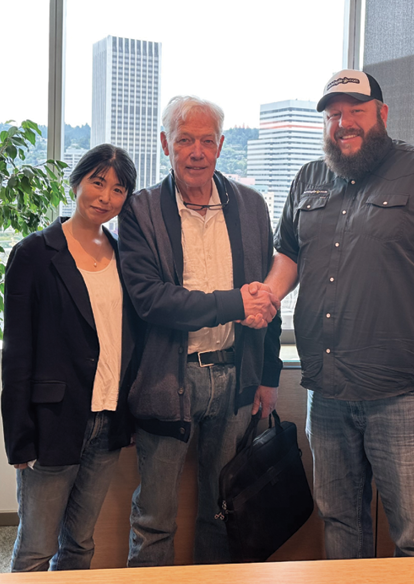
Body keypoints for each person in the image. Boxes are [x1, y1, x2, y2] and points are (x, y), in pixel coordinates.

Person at [264, 69, 414, 558]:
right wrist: (268, 294)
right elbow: (289, 254)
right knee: (340, 524)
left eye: (356, 111)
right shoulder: (309, 178)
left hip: (407, 397)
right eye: (333, 114)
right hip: (327, 393)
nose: (343, 123)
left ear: (383, 115)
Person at [118, 95, 283, 566]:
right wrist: (234, 303)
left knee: (221, 511)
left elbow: (267, 296)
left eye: (207, 141)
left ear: (221, 145)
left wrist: (268, 375)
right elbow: (151, 300)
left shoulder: (251, 206)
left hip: (235, 378)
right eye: (185, 140)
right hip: (167, 381)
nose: (196, 152)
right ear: (165, 143)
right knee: (155, 517)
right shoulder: (141, 210)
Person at [1, 143, 140, 571]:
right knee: (36, 547)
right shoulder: (33, 254)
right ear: (77, 182)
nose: (105, 197)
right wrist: (19, 436)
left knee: (80, 543)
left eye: (118, 190)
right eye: (97, 182)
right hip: (52, 421)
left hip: (107, 418)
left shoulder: (124, 257)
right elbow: (17, 352)